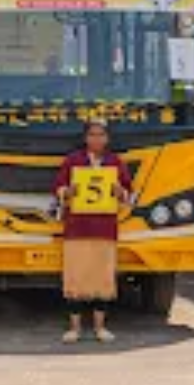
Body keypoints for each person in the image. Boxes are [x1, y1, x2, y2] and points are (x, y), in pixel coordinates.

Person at [54, 119, 133, 344]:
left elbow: (128, 192)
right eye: (92, 134)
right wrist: (68, 191)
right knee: (75, 278)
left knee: (103, 278)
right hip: (77, 227)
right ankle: (75, 328)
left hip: (105, 227)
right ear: (85, 138)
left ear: (107, 138)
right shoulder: (73, 161)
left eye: (101, 135)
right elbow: (58, 188)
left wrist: (120, 191)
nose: (96, 139)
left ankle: (100, 327)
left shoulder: (115, 162)